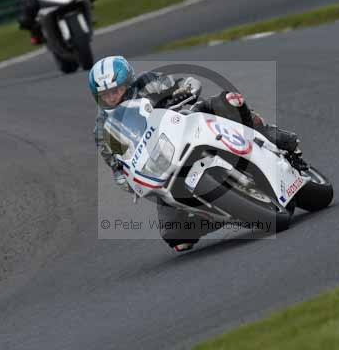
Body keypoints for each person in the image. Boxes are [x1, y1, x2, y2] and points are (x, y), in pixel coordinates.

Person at [90, 56, 307, 252]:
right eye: (105, 95)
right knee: (175, 236)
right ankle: (222, 213)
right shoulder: (102, 128)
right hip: (160, 163)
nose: (112, 97)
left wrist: (185, 92)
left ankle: (280, 139)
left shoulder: (149, 83)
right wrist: (127, 180)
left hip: (187, 123)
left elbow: (187, 84)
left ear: (129, 83)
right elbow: (116, 165)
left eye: (116, 90)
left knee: (229, 101)